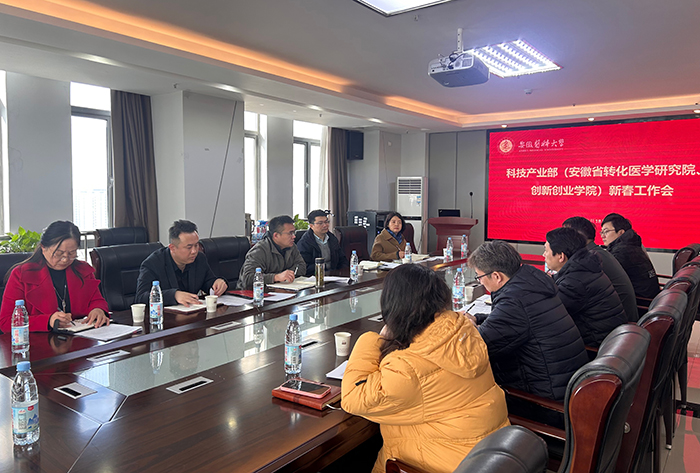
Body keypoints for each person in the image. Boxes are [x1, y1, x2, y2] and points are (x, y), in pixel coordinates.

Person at [341, 264, 509, 473]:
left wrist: (375, 339)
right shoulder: (464, 332)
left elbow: (352, 398)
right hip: (489, 456)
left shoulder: (408, 368)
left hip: (443, 464)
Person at [466, 240, 588, 401]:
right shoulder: (529, 283)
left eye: (479, 277)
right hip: (563, 384)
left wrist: (468, 325)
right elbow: (515, 321)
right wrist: (477, 318)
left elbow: (475, 348)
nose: (480, 281)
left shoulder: (514, 302)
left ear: (496, 276)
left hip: (544, 399)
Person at [0, 220, 109, 332]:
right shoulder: (21, 274)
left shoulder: (83, 270)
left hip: (80, 338)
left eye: (72, 253)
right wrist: (48, 321)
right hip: (39, 341)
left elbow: (97, 300)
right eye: (59, 253)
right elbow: (6, 321)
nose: (65, 259)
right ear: (43, 248)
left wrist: (98, 310)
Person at [544, 227, 627, 347]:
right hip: (609, 340)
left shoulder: (575, 282)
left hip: (595, 346)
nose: (544, 255)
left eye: (546, 251)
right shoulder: (584, 268)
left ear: (561, 256)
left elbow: (549, 314)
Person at [135, 220, 228, 307]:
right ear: (172, 248)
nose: (194, 251)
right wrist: (174, 295)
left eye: (196, 245)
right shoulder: (153, 264)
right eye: (189, 247)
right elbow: (141, 298)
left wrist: (217, 284)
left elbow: (207, 282)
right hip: (165, 316)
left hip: (193, 313)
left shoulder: (199, 258)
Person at [563, 216, 638, 322]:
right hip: (621, 317)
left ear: (578, 236)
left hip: (618, 322)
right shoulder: (597, 253)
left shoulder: (590, 258)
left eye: (565, 234)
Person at [600, 214, 660, 300]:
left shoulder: (621, 252)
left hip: (640, 302)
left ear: (621, 232)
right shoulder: (633, 244)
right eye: (602, 232)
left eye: (606, 231)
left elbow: (605, 278)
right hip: (651, 298)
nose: (602, 236)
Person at [237, 215, 306, 289]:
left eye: (294, 232)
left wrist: (288, 275)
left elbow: (301, 266)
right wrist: (276, 277)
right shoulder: (259, 250)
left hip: (281, 289)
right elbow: (248, 278)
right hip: (253, 293)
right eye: (290, 233)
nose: (294, 236)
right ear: (276, 235)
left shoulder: (291, 247)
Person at [296, 210, 348, 277]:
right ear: (311, 226)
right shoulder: (304, 243)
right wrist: (324, 268)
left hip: (334, 275)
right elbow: (305, 267)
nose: (325, 225)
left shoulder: (332, 238)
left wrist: (341, 272)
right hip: (315, 277)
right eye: (320, 223)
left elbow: (342, 259)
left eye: (326, 222)